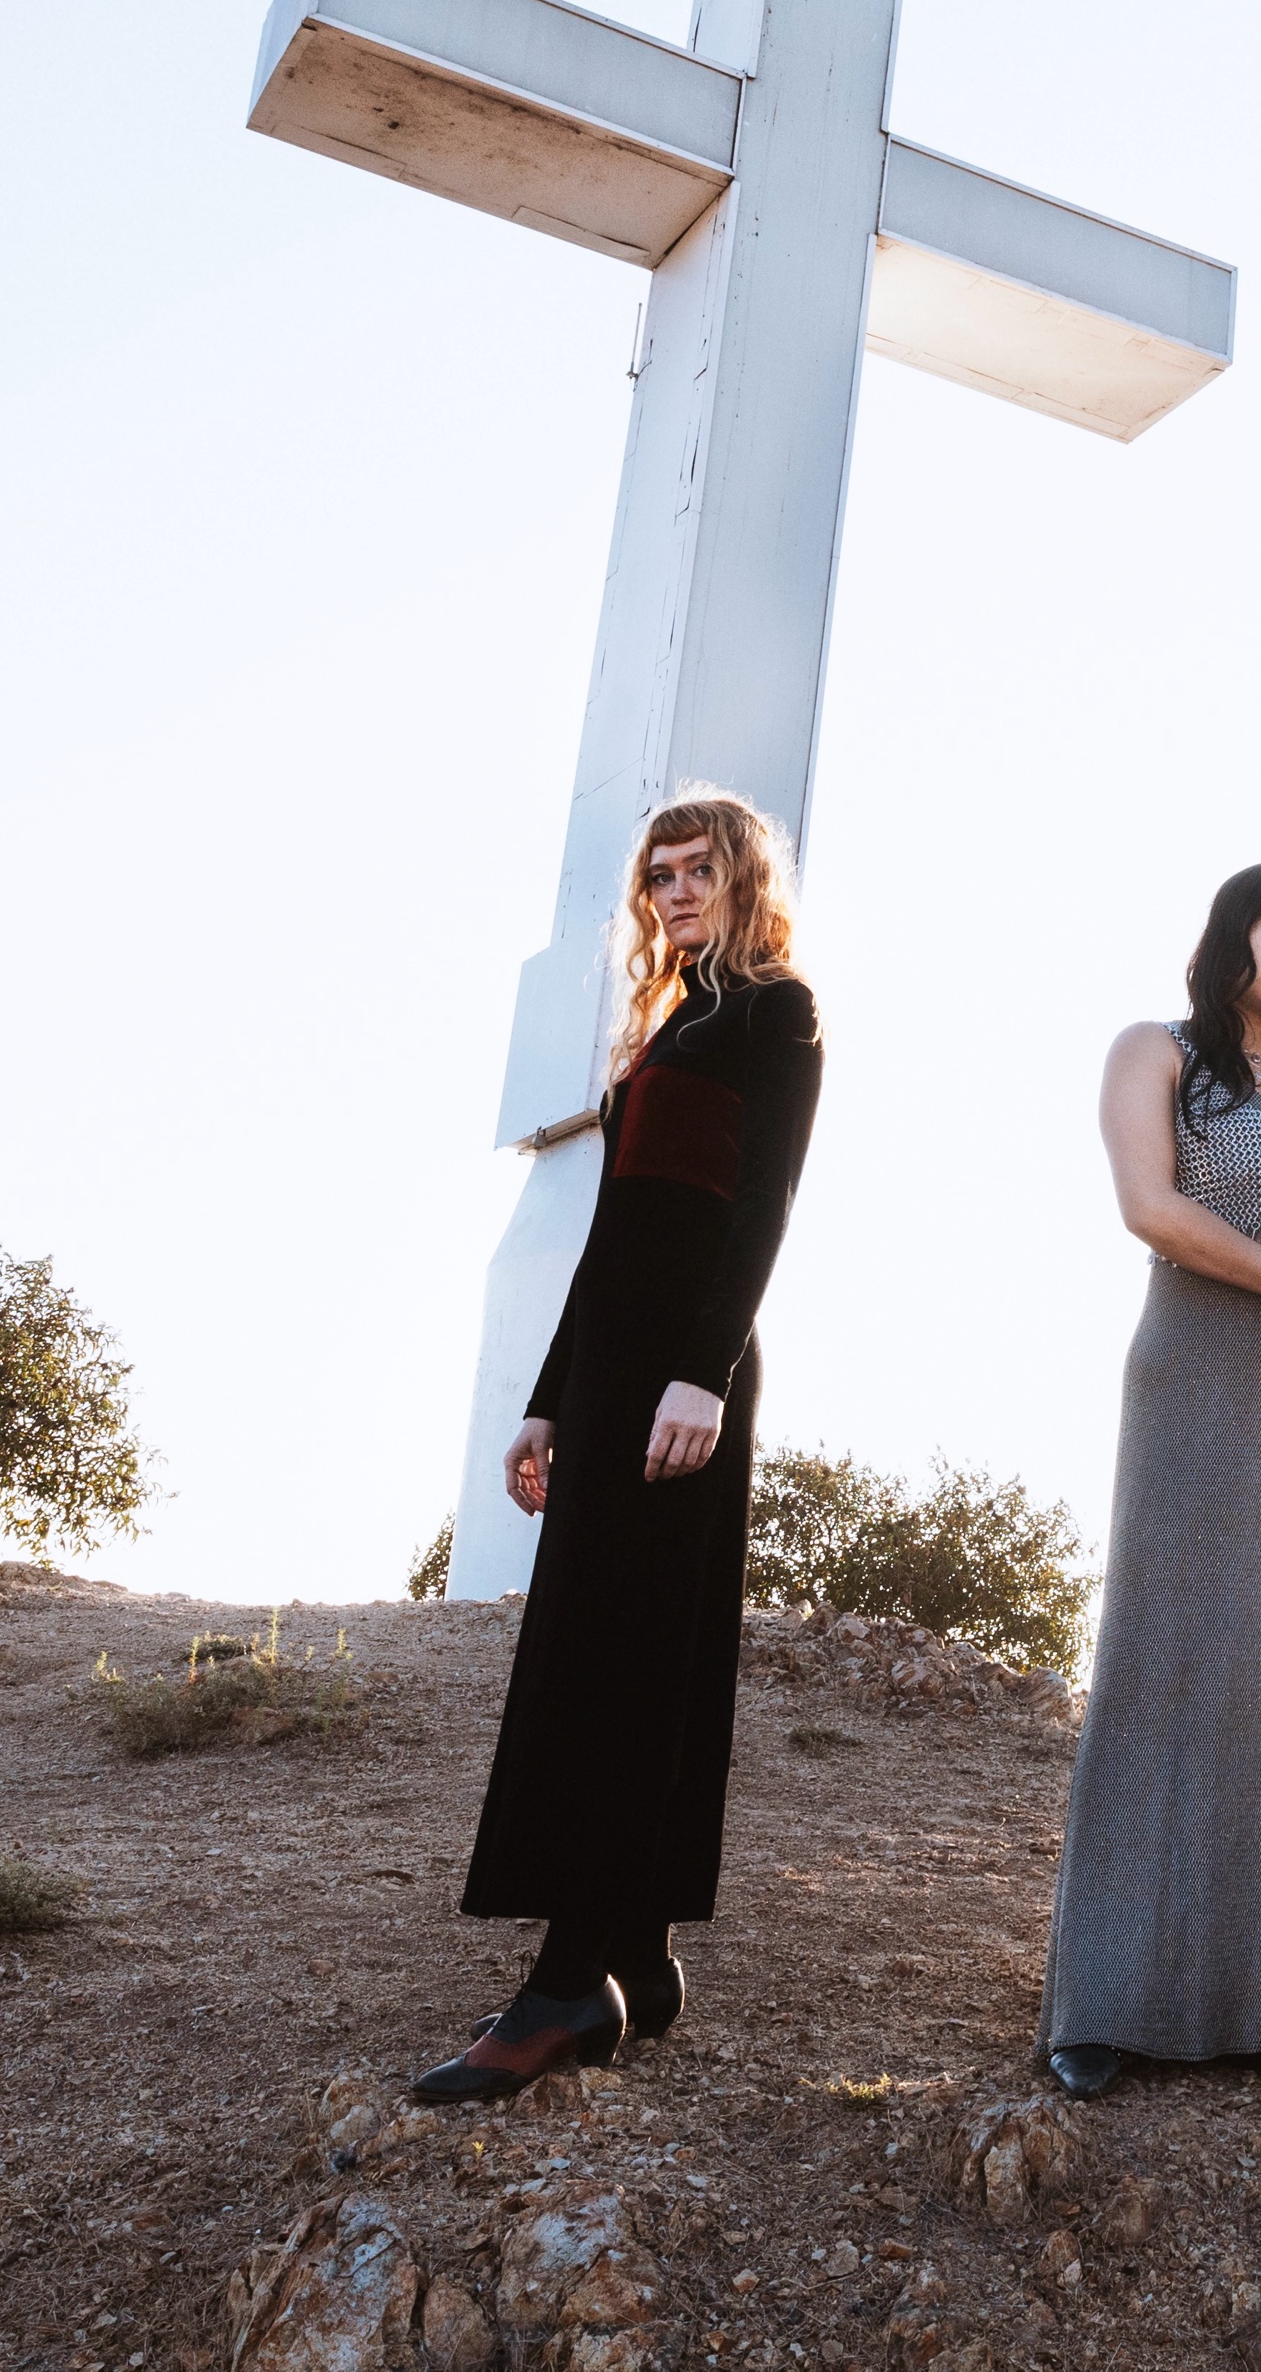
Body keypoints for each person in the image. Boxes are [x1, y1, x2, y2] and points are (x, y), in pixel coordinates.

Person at [413, 790, 826, 2103]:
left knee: (624, 1660)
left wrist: (705, 1374)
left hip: (684, 1373)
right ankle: (637, 1960)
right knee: (608, 1647)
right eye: (660, 875)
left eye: (700, 869)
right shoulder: (664, 1024)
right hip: (607, 1374)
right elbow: (609, 1234)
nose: (677, 892)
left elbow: (763, 1209)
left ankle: (563, 1985)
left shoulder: (776, 1014)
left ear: (745, 879)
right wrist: (546, 1397)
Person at [1039, 861, 1261, 2098]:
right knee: (1166, 1661)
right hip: (1198, 1370)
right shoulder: (1157, 1053)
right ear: (1230, 932)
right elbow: (1149, 1208)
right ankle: (1106, 2005)